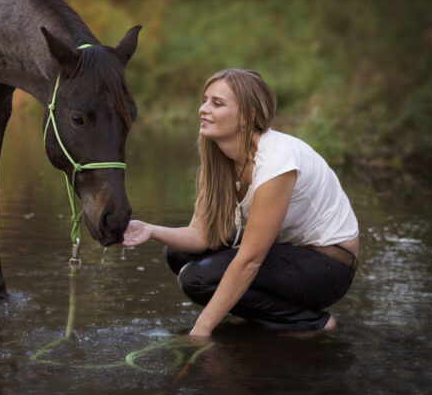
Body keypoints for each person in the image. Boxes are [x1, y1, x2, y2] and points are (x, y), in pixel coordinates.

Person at [123, 68, 359, 336]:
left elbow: (250, 260)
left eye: (217, 103)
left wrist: (200, 331)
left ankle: (310, 322)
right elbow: (201, 236)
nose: (203, 109)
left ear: (248, 116)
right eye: (204, 100)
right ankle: (259, 313)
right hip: (289, 252)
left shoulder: (277, 161)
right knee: (178, 255)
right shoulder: (221, 159)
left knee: (197, 278)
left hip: (328, 267)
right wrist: (151, 230)